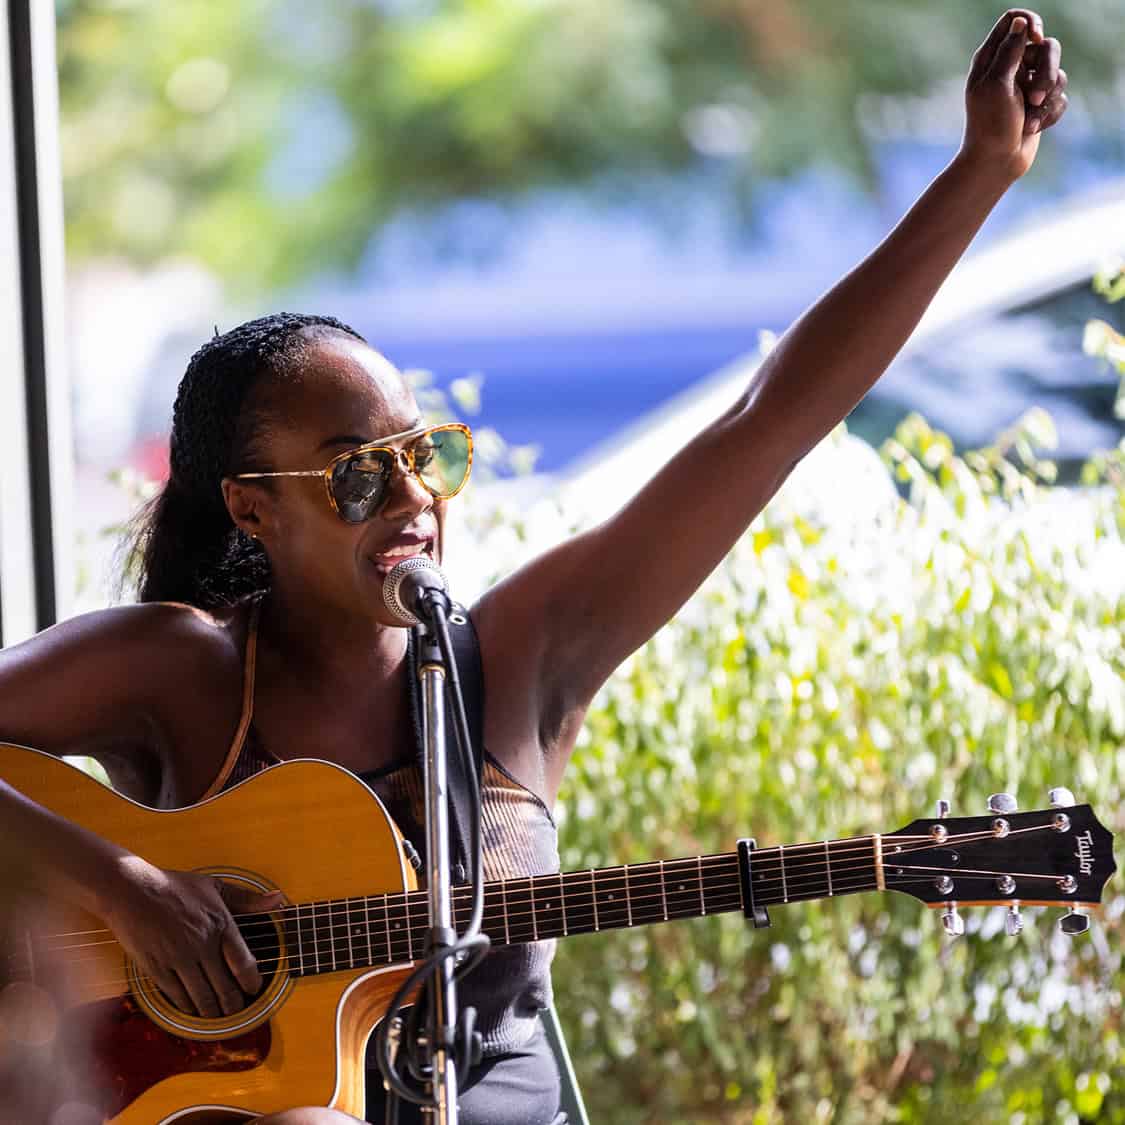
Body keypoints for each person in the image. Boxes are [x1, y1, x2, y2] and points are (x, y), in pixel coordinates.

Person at [0, 9, 1066, 1124]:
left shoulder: (523, 655)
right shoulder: (185, 673)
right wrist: (125, 889)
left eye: (427, 456)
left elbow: (767, 422)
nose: (414, 494)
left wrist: (981, 175)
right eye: (360, 475)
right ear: (253, 512)